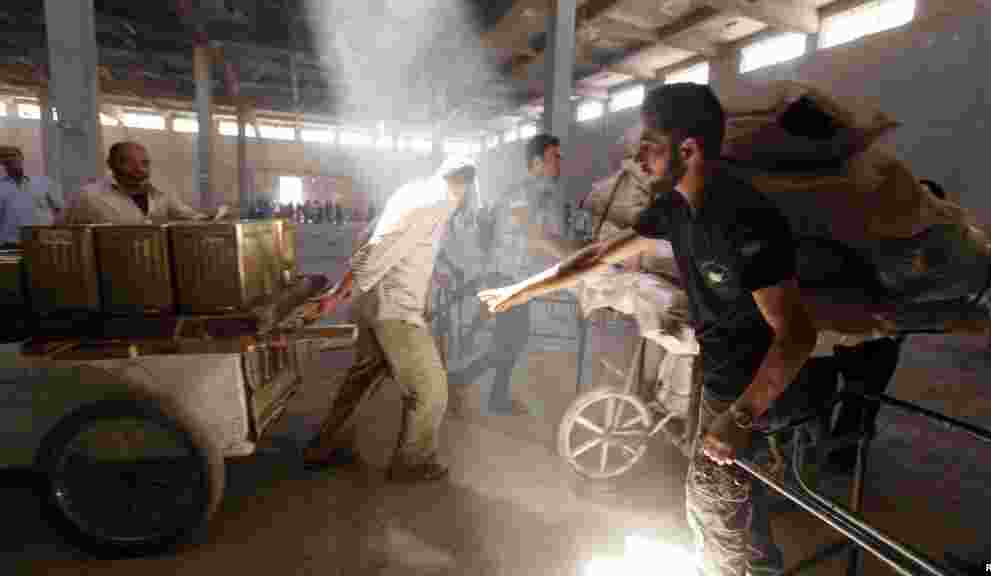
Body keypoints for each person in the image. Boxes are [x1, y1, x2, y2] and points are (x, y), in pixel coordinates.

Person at [478, 84, 819, 576]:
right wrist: (521, 291)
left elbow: (797, 335)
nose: (637, 156)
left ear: (688, 149)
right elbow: (597, 255)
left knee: (712, 505)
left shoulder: (746, 222)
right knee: (734, 509)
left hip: (754, 390)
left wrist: (740, 417)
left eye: (649, 144)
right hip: (719, 375)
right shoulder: (674, 209)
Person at [303, 157, 478, 482]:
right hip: (395, 312)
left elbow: (378, 235)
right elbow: (382, 247)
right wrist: (337, 295)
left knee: (362, 380)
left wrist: (434, 274)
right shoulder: (439, 201)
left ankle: (325, 447)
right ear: (465, 186)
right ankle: (413, 461)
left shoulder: (412, 191)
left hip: (376, 304)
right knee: (431, 389)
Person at [447, 133, 570, 416]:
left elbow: (543, 240)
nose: (560, 162)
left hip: (518, 279)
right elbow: (535, 237)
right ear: (537, 162)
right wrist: (578, 261)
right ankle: (460, 382)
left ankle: (493, 395)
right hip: (504, 278)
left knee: (512, 341)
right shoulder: (520, 194)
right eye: (555, 157)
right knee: (509, 342)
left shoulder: (541, 196)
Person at [62, 141, 214, 224]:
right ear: (110, 164)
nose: (139, 169)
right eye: (128, 162)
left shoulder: (161, 193)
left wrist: (210, 217)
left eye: (144, 163)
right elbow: (62, 230)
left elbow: (188, 216)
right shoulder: (88, 196)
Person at [0, 146, 63, 246]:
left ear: (21, 157)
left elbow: (60, 210)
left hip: (43, 240)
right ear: (1, 161)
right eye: (5, 156)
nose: (10, 159)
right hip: (11, 242)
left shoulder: (44, 182)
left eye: (13, 155)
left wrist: (55, 234)